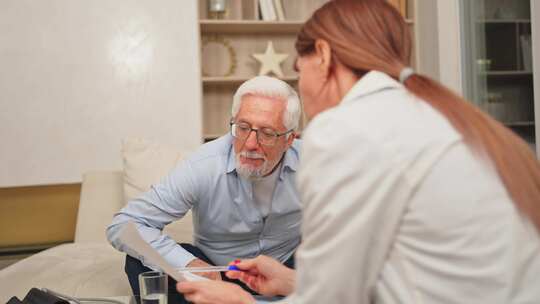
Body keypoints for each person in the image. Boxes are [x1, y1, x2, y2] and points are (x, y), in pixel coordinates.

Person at [176, 0, 540, 303]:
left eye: (298, 71)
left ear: (323, 55)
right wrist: (292, 282)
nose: (300, 88)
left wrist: (244, 302)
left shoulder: (342, 130)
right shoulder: (437, 115)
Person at [106, 75, 303, 303]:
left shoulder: (314, 162)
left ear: (289, 140)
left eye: (267, 133)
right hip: (217, 274)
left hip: (286, 270)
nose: (250, 143)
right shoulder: (203, 165)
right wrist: (189, 264)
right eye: (243, 127)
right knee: (141, 262)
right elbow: (123, 225)